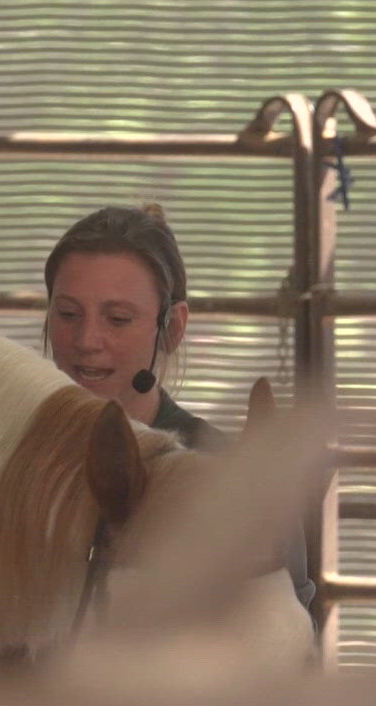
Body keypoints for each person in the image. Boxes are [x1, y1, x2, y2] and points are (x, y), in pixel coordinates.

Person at [42, 204, 317, 609]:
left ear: (172, 327)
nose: (86, 340)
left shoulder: (227, 475)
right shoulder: (7, 453)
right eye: (68, 314)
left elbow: (290, 642)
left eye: (117, 319)